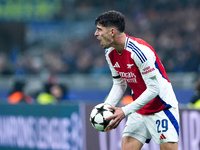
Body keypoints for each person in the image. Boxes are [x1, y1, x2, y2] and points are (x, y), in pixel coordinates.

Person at [94, 10, 179, 150]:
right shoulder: (109, 52)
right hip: (139, 107)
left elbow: (154, 89)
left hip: (161, 106)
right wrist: (106, 109)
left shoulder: (140, 51)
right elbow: (119, 84)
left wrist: (124, 111)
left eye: (99, 29)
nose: (96, 34)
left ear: (112, 32)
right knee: (127, 147)